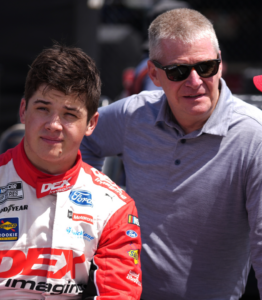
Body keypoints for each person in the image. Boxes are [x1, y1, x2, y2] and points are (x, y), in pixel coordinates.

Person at [80, 8, 262, 300]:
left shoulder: (254, 136)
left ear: (220, 64)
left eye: (205, 68)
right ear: (154, 74)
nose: (195, 81)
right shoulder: (134, 114)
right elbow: (83, 139)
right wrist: (92, 210)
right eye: (178, 71)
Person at [0, 44, 142, 299]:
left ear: (91, 123)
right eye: (43, 108)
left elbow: (120, 294)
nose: (54, 125)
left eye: (69, 114)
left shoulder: (115, 207)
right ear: (23, 111)